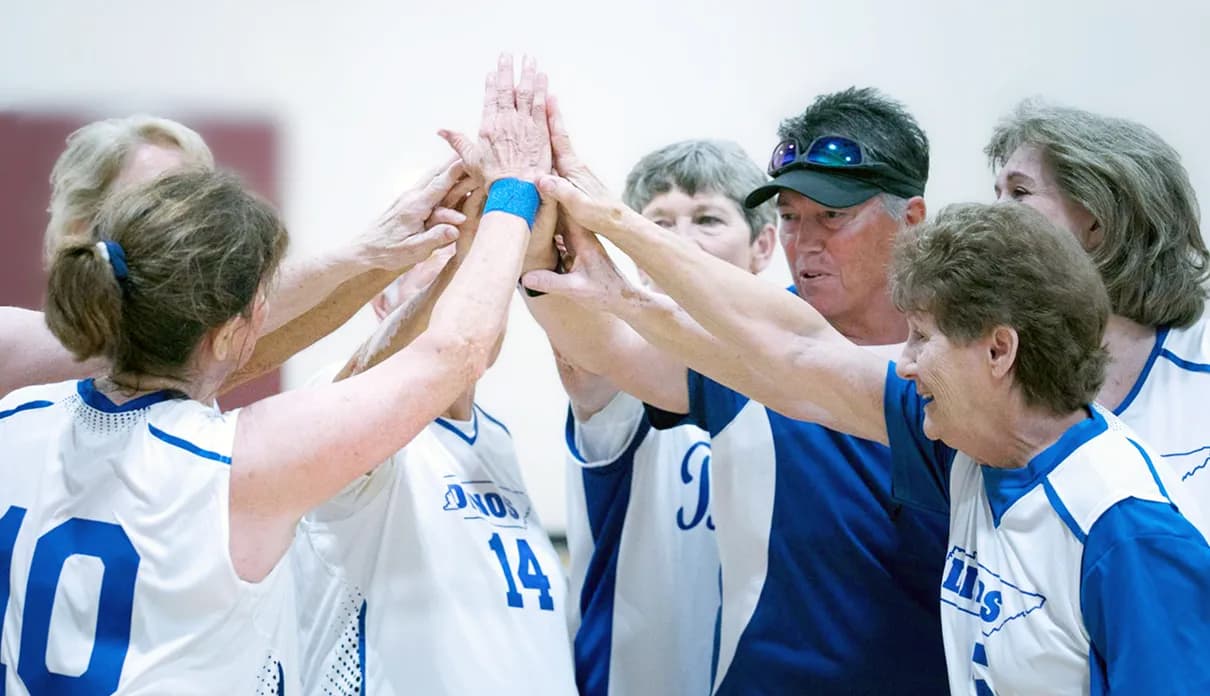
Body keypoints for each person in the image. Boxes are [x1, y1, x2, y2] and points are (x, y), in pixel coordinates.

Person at [530, 168, 1210, 693]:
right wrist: (618, 268)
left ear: (998, 351)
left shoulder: (1129, 535)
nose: (903, 362)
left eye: (921, 337)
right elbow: (793, 353)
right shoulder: (969, 437)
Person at [0, 56, 542, 693]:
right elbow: (455, 351)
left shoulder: (17, 418)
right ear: (231, 333)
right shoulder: (240, 466)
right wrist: (516, 189)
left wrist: (379, 250)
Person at [524, 89, 949, 694]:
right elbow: (602, 346)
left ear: (911, 220)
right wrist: (531, 223)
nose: (807, 241)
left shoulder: (967, 355)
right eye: (793, 216)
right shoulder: (740, 343)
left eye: (833, 216)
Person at [294, 59, 577, 689]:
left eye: (478, 262)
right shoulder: (341, 407)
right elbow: (406, 358)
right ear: (381, 302)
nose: (476, 277)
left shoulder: (495, 438)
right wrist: (493, 219)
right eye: (440, 257)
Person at [1, 113, 468, 398]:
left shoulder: (189, 367)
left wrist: (403, 248)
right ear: (82, 226)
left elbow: (266, 341)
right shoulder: (16, 343)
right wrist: (372, 251)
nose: (185, 226)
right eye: (158, 202)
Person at [552, 140, 774, 696]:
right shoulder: (618, 362)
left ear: (763, 245)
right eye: (657, 223)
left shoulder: (798, 382)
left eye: (707, 219)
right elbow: (577, 338)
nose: (678, 242)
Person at [986, 101, 1210, 505]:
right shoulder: (991, 357)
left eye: (1019, 193)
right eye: (997, 193)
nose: (993, 214)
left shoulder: (1200, 361)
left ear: (1097, 224)